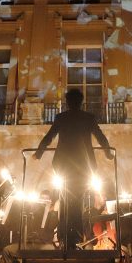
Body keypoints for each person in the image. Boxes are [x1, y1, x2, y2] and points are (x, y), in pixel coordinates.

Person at [34, 88, 114, 247]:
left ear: (68, 102)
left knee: (65, 199)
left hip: (64, 165)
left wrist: (39, 152)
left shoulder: (61, 117)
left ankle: (64, 237)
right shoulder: (88, 118)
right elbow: (100, 137)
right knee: (78, 202)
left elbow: (49, 137)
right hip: (83, 166)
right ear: (81, 102)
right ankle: (76, 237)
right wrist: (108, 153)